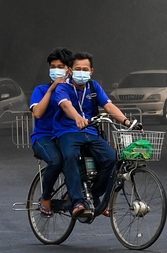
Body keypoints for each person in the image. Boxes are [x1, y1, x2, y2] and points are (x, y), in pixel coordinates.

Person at [53, 51, 134, 218]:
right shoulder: (62, 87)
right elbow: (66, 105)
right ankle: (77, 202)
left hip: (91, 132)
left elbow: (109, 106)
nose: (81, 72)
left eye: (85, 69)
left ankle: (94, 195)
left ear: (91, 71)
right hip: (67, 132)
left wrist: (126, 121)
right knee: (70, 156)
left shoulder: (93, 86)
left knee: (111, 158)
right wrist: (77, 118)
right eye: (78, 69)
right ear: (70, 70)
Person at [29, 47, 73, 216]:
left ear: (69, 69)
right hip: (43, 137)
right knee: (56, 161)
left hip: (64, 135)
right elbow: (38, 113)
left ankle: (76, 195)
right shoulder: (40, 90)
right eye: (52, 66)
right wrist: (52, 89)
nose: (56, 70)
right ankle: (46, 197)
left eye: (60, 66)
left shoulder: (73, 90)